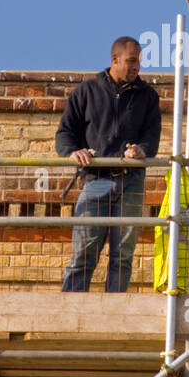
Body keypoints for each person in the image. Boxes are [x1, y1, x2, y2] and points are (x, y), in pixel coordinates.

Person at [56, 37, 161, 291]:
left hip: (131, 183)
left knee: (122, 256)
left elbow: (151, 138)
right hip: (95, 181)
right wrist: (73, 151)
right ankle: (71, 312)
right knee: (83, 251)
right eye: (131, 61)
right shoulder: (86, 92)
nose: (137, 67)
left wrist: (142, 150)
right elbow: (64, 133)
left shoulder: (148, 96)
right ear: (115, 60)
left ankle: (114, 317)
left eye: (139, 61)